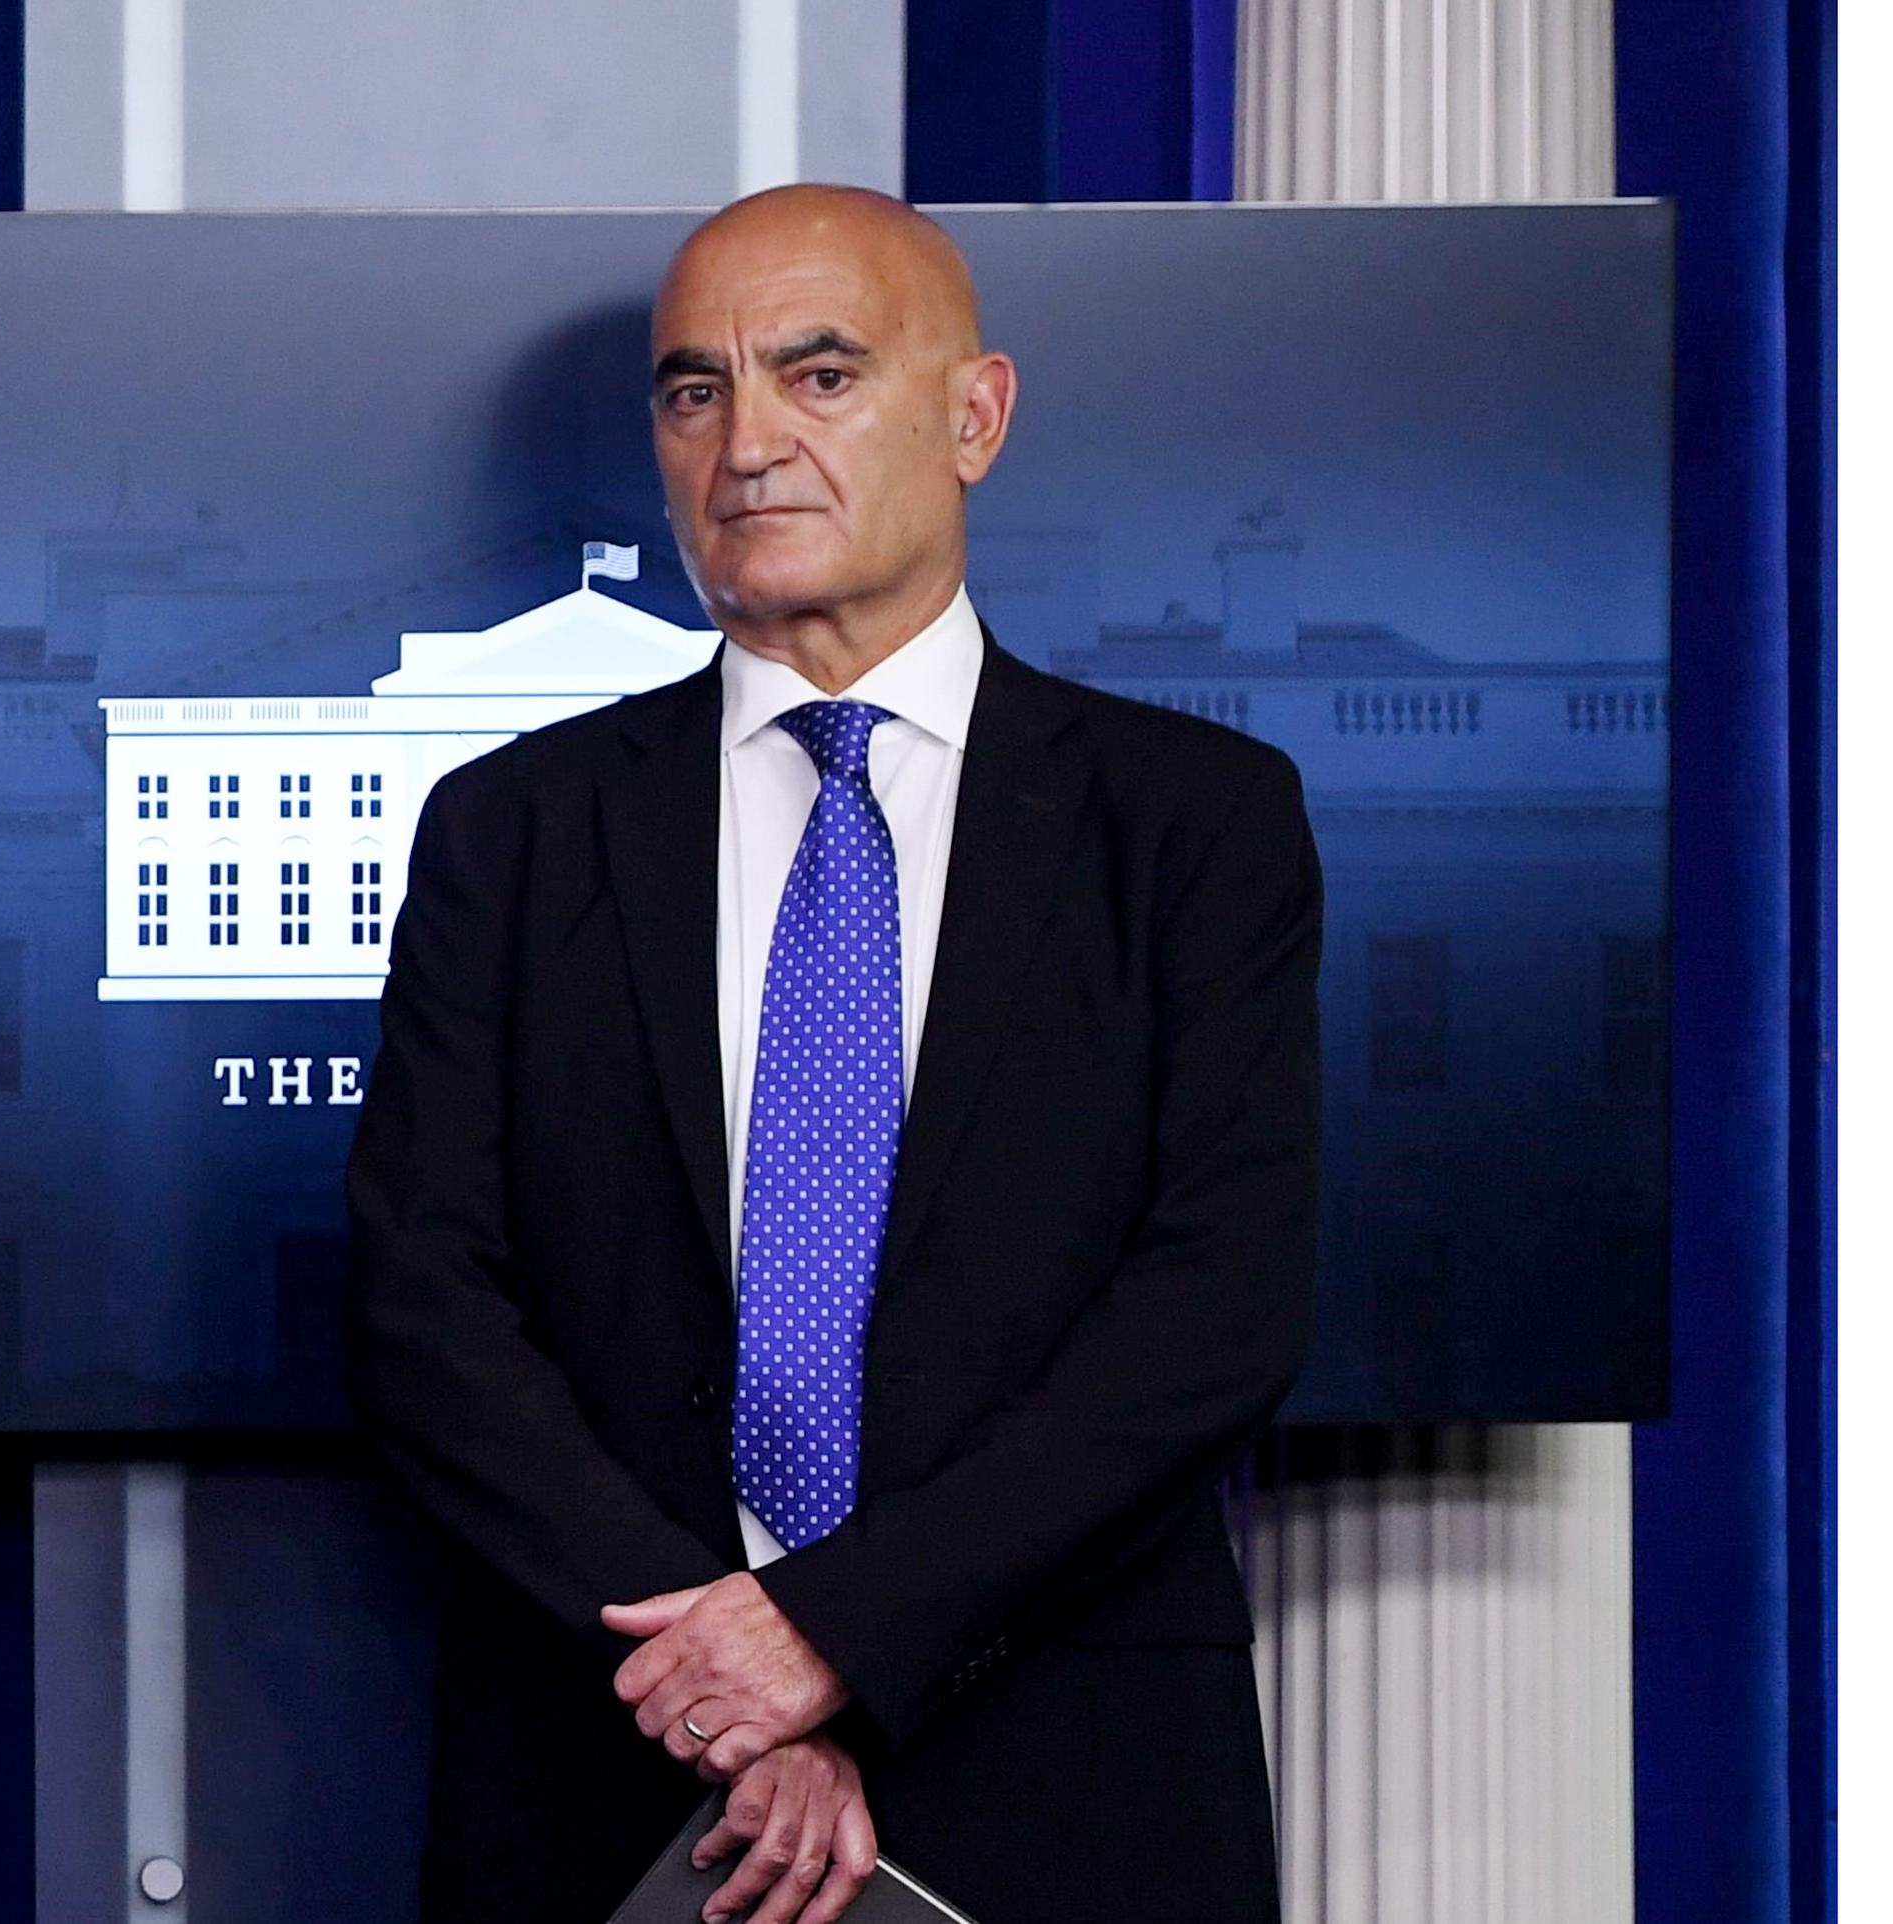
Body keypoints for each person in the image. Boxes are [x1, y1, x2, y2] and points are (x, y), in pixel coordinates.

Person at [347, 184, 1321, 1924]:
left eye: (819, 373)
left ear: (975, 415)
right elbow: (425, 1305)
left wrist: (833, 1636)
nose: (748, 445)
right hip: (610, 1751)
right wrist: (722, 1678)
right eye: (692, 391)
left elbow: (1215, 1311)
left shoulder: (1193, 824)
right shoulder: (512, 829)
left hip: (1065, 1757)